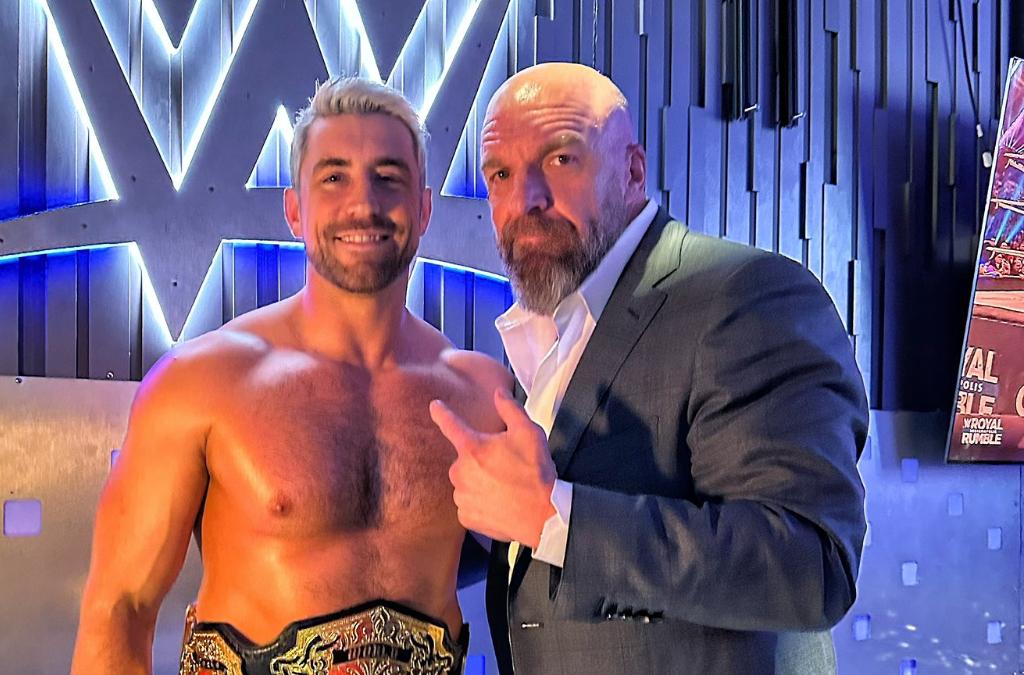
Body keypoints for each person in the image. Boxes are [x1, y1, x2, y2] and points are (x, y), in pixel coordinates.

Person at [429, 62, 868, 674]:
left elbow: (810, 566)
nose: (525, 197)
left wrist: (554, 516)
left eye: (561, 159)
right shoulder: (553, 330)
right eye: (501, 173)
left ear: (632, 169)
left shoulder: (747, 295)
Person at [71, 77, 512, 675]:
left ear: (425, 207)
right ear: (294, 210)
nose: (363, 204)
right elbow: (119, 608)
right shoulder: (201, 384)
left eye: (389, 177)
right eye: (334, 177)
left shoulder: (481, 395)